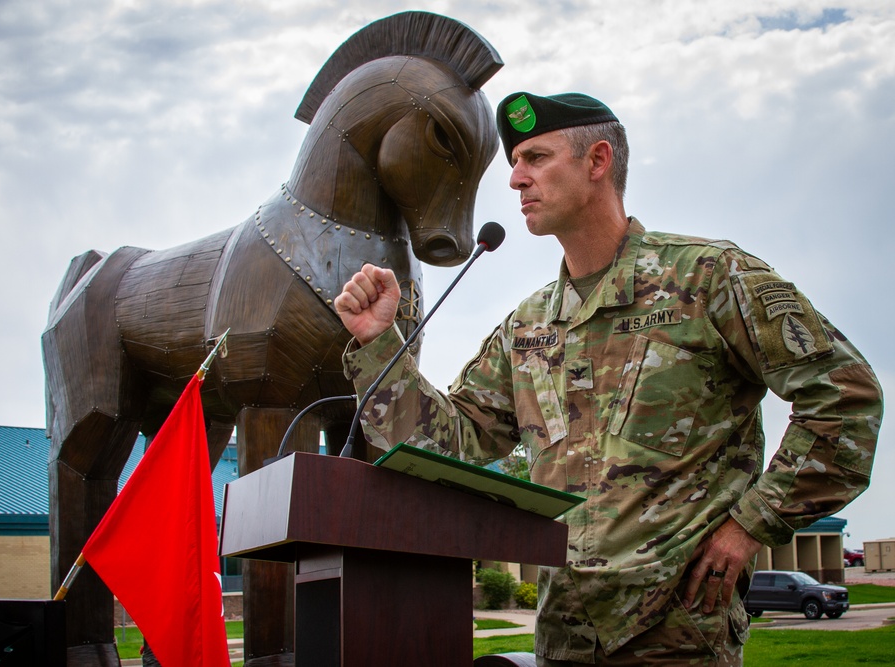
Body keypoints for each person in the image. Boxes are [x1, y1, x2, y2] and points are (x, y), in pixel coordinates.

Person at [334, 91, 884, 666]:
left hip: (677, 634)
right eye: (514, 164)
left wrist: (750, 525)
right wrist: (380, 344)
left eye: (536, 158)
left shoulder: (707, 278)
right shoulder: (529, 324)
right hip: (564, 634)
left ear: (597, 162)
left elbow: (845, 398)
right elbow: (455, 441)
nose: (517, 180)